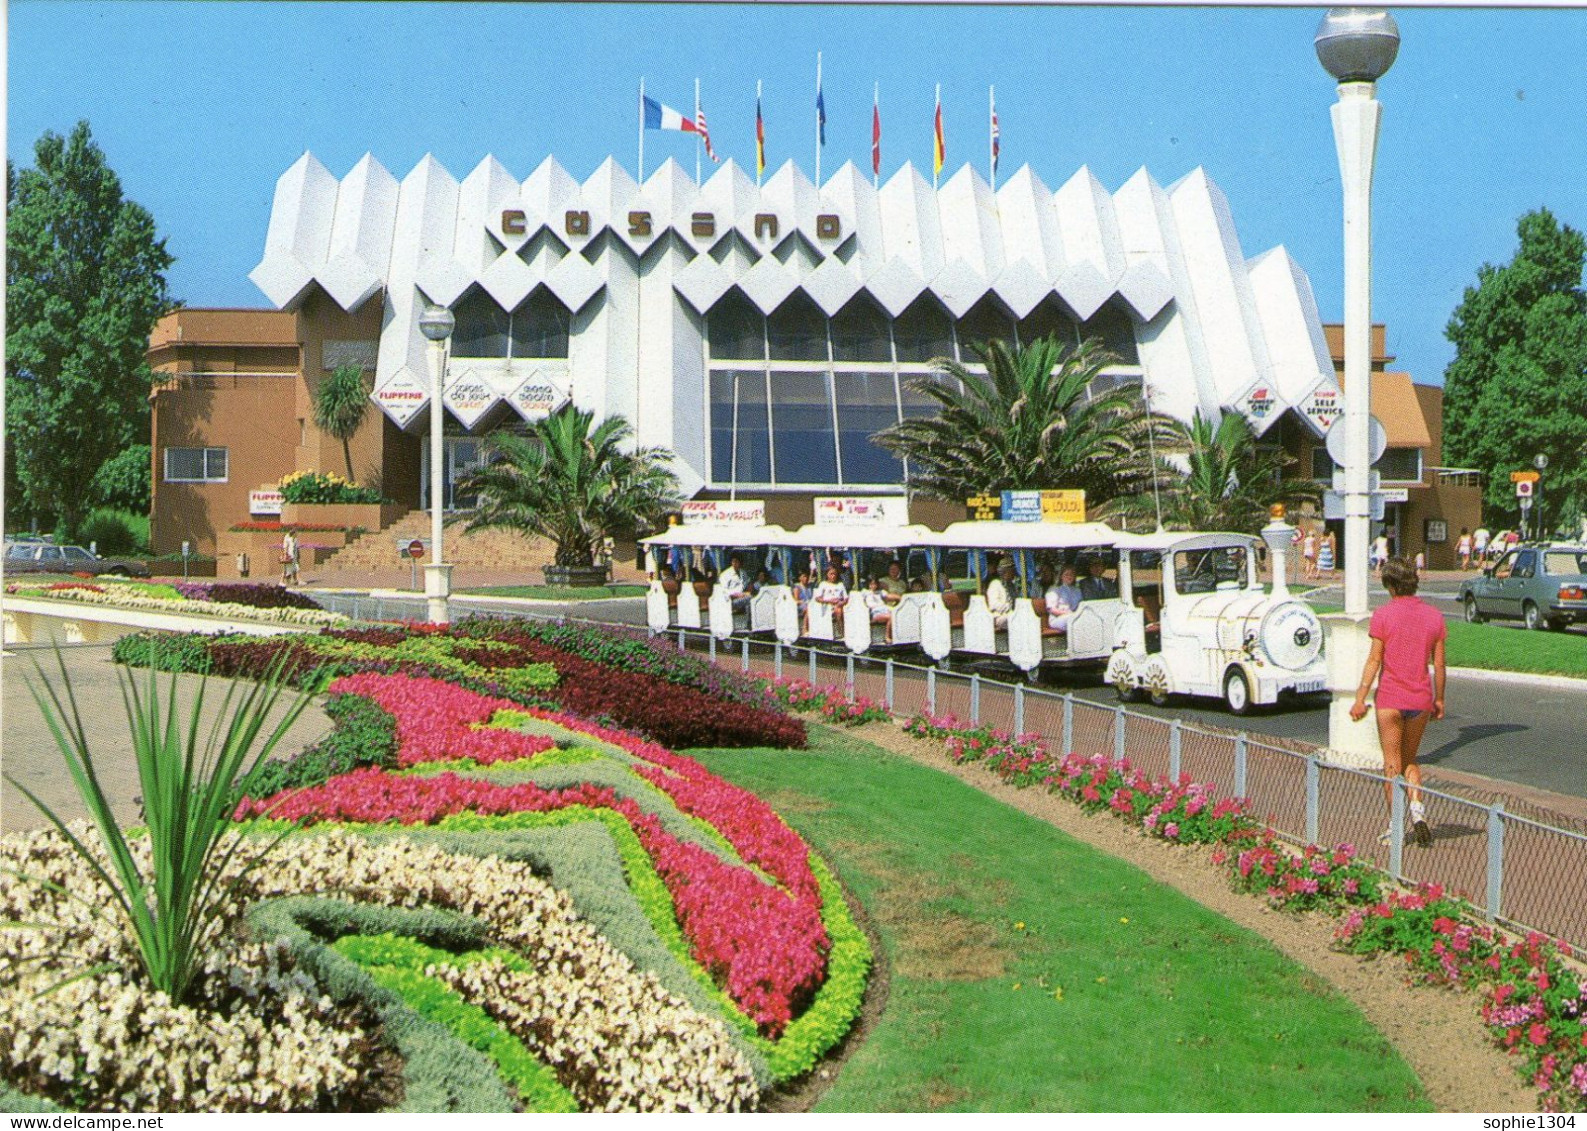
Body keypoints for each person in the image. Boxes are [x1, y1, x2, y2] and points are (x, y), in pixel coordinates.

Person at [1350, 556, 1446, 849]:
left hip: (1390, 699)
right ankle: (1417, 809)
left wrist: (1360, 698)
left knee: (1391, 764)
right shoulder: (1434, 617)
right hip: (1420, 698)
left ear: (1391, 585)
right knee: (1410, 760)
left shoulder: (1383, 615)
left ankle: (1395, 828)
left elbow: (1374, 661)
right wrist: (1439, 699)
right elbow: (1439, 666)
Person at [1043, 564, 1084, 634]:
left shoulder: (1077, 590)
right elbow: (1051, 609)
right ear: (1061, 576)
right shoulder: (1054, 589)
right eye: (1066, 574)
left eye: (1072, 574)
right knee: (1073, 619)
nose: (1069, 576)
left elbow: (1081, 605)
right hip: (1057, 619)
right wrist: (1069, 613)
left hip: (1074, 616)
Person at [813, 566, 848, 633]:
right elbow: (817, 598)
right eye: (831, 574)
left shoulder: (840, 584)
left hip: (840, 604)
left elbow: (846, 598)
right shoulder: (823, 584)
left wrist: (842, 602)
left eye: (834, 574)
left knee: (839, 608)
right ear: (827, 574)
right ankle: (841, 632)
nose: (833, 576)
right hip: (827, 606)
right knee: (838, 610)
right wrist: (829, 601)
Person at [985, 560, 1017, 630]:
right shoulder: (995, 584)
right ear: (1004, 572)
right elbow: (993, 604)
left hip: (1011, 614)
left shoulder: (1012, 586)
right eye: (1012, 571)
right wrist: (1009, 607)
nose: (1014, 574)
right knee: (1013, 619)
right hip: (998, 616)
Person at [862, 577, 894, 641]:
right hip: (875, 613)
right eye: (871, 584)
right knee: (891, 617)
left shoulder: (881, 592)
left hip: (885, 610)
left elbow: (888, 596)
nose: (873, 586)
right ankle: (887, 637)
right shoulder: (865, 592)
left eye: (874, 584)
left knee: (895, 614)